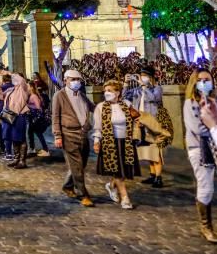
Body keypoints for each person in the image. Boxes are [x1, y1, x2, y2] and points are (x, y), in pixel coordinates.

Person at [183, 68, 217, 243]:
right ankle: (206, 226)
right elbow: (197, 128)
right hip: (200, 148)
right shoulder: (190, 103)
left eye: (208, 79)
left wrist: (216, 121)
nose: (205, 83)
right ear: (195, 82)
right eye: (202, 80)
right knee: (206, 186)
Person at [93, 80, 141, 210]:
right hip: (110, 142)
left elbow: (136, 117)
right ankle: (125, 198)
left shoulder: (126, 104)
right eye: (105, 90)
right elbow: (98, 127)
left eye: (110, 90)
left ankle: (111, 185)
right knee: (119, 172)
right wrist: (97, 141)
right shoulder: (101, 107)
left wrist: (138, 122)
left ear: (118, 93)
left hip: (126, 142)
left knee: (123, 171)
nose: (107, 93)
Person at [52, 69, 95, 207]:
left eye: (78, 80)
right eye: (73, 79)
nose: (76, 82)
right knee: (76, 166)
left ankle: (68, 186)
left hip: (83, 134)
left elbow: (93, 108)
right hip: (68, 134)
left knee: (81, 164)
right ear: (66, 80)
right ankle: (84, 195)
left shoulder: (82, 95)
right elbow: (55, 117)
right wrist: (58, 135)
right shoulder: (59, 95)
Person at [124, 66, 167, 188]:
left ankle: (159, 177)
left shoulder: (157, 88)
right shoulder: (137, 90)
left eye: (145, 75)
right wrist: (126, 84)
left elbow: (154, 98)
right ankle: (152, 175)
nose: (142, 77)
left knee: (155, 151)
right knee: (148, 151)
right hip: (139, 123)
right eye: (141, 75)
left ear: (151, 77)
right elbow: (123, 98)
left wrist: (144, 86)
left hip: (152, 123)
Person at [4, 74, 31, 169]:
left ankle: (22, 161)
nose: (13, 79)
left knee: (21, 138)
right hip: (11, 116)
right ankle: (16, 158)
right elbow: (0, 97)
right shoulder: (12, 89)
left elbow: (22, 80)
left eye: (15, 78)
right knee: (14, 137)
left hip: (20, 116)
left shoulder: (23, 88)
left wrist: (10, 73)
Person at [27, 82, 51, 157]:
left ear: (31, 87)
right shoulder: (32, 95)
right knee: (31, 132)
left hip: (35, 118)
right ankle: (33, 148)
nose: (26, 88)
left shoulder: (33, 96)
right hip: (33, 117)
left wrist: (30, 109)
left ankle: (46, 150)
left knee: (38, 133)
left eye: (27, 86)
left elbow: (39, 107)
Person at [0, 74, 15, 160]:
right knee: (13, 132)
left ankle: (8, 153)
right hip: (15, 112)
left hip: (6, 112)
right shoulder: (15, 87)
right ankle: (15, 153)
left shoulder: (3, 88)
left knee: (6, 132)